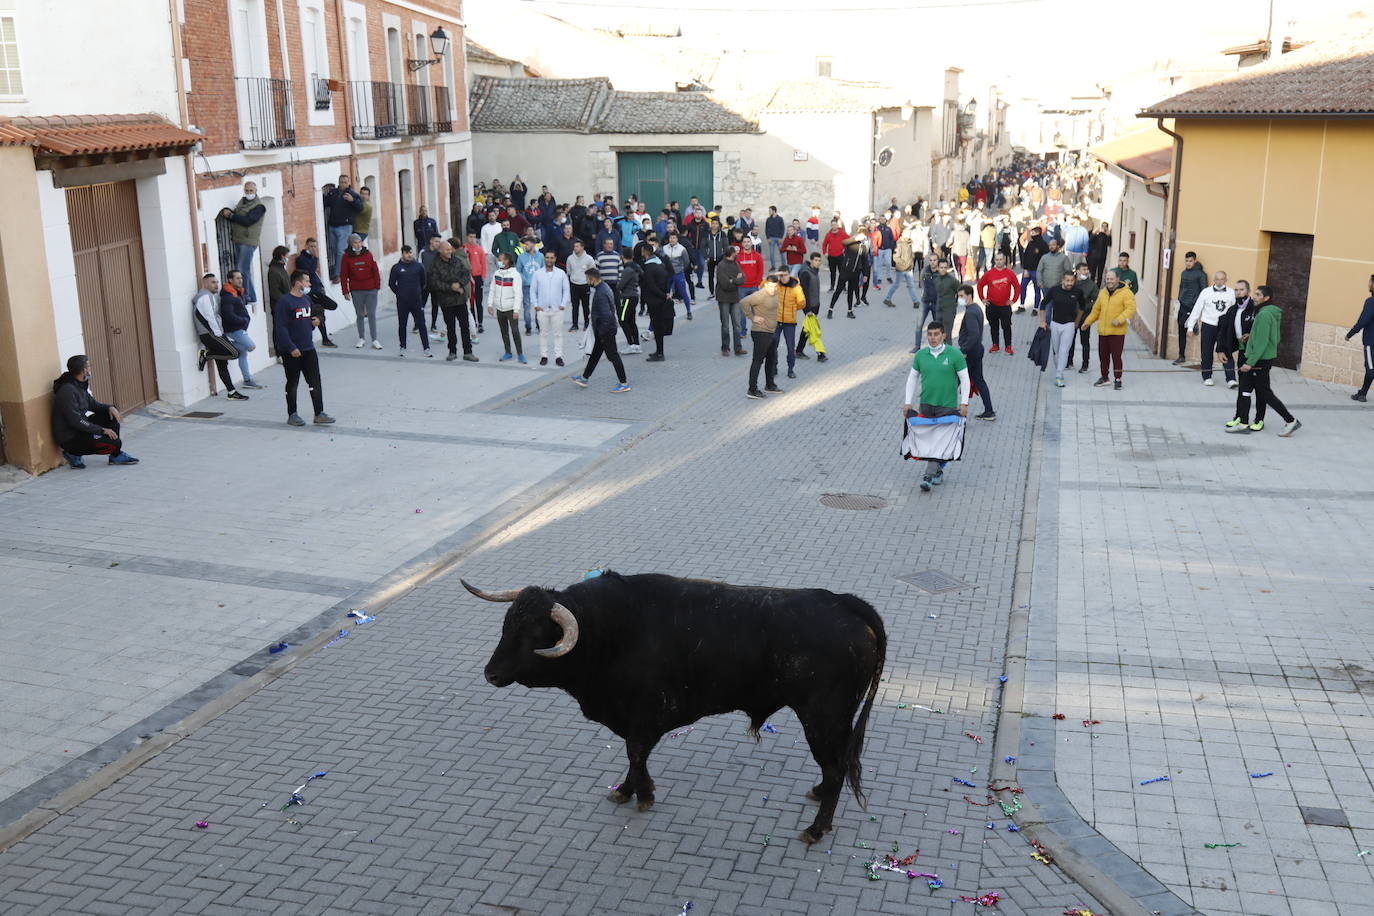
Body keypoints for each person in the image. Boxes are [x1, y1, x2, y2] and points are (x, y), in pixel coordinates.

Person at [903, 321, 970, 491]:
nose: (933, 338)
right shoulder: (921, 355)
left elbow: (965, 378)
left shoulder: (954, 355)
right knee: (931, 443)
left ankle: (928, 475)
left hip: (947, 406)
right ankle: (938, 471)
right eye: (930, 335)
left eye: (936, 334)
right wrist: (908, 401)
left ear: (944, 336)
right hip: (926, 404)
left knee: (943, 442)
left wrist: (964, 403)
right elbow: (912, 378)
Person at [1226, 285, 1301, 436]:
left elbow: (1262, 342)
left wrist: (1249, 363)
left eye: (1258, 295)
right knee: (1245, 390)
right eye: (1255, 294)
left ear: (1266, 298)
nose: (1254, 297)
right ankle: (1243, 423)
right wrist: (1251, 336)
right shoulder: (1266, 312)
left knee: (1265, 393)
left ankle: (1290, 420)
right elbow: (1272, 337)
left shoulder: (1264, 315)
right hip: (1258, 359)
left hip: (1259, 362)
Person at [52, 354, 138, 467]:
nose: (90, 368)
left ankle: (115, 455)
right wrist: (101, 430)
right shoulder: (67, 390)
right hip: (70, 438)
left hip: (80, 429)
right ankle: (73, 453)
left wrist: (110, 407)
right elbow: (75, 421)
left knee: (110, 413)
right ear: (84, 370)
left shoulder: (78, 384)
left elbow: (92, 404)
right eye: (89, 366)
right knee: (114, 444)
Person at [273, 268, 334, 426]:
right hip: (292, 350)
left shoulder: (306, 299)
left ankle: (319, 413)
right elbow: (281, 328)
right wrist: (291, 347)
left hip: (308, 348)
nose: (309, 284)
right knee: (293, 382)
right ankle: (292, 414)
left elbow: (312, 316)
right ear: (298, 282)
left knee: (315, 381)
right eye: (306, 281)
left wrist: (316, 321)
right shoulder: (285, 302)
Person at [571, 267, 631, 392]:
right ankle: (584, 377)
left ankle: (623, 383)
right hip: (603, 330)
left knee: (613, 356)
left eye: (587, 279)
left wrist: (602, 333)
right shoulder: (604, 287)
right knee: (595, 355)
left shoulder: (600, 293)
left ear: (592, 278)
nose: (587, 281)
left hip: (605, 331)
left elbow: (606, 314)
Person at [192, 274, 246, 400]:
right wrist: (219, 334)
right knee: (234, 353)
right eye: (212, 282)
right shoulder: (205, 297)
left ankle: (231, 392)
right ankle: (206, 355)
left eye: (217, 282)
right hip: (211, 334)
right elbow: (210, 316)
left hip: (209, 334)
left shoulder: (209, 296)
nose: (216, 285)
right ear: (205, 284)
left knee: (222, 363)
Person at [1083, 270, 1136, 390]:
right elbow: (1096, 310)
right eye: (1107, 279)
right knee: (1103, 356)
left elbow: (1131, 309)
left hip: (1117, 332)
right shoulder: (1103, 293)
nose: (1109, 281)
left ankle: (1118, 379)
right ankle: (1104, 377)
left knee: (1116, 357)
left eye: (1111, 279)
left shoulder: (1126, 293)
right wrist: (1088, 322)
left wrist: (1120, 319)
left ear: (1117, 279)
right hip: (1103, 331)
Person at [429, 240, 478, 362]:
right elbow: (434, 283)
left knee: (464, 326)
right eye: (447, 250)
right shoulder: (435, 264)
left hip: (460, 300)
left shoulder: (457, 260)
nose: (450, 252)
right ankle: (452, 351)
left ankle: (468, 352)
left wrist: (460, 284)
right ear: (440, 250)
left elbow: (466, 274)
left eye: (450, 249)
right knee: (450, 328)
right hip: (446, 301)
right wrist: (451, 287)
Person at [1186, 271, 1237, 387]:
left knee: (1226, 351)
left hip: (1224, 327)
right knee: (1206, 352)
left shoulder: (1231, 293)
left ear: (1226, 280)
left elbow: (1235, 312)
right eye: (1217, 279)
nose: (1219, 281)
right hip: (1208, 325)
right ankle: (1207, 376)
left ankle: (1231, 379)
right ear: (1214, 280)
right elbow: (1197, 309)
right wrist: (1190, 326)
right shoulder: (1206, 292)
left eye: (1222, 279)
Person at [220, 181, 265, 304]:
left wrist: (231, 215)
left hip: (248, 241)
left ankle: (248, 296)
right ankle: (251, 296)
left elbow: (247, 220)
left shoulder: (259, 207)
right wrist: (229, 213)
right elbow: (237, 214)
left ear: (256, 191)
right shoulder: (242, 202)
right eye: (247, 191)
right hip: (239, 240)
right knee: (243, 269)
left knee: (242, 270)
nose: (249, 193)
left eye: (251, 191)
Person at [1041, 270, 1085, 387]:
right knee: (1056, 351)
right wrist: (1042, 322)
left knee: (1064, 351)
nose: (1070, 283)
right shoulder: (1054, 290)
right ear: (1062, 280)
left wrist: (1076, 322)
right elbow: (1043, 304)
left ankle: (1059, 374)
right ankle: (1058, 370)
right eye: (1067, 281)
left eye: (1072, 281)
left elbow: (1082, 307)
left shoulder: (1078, 292)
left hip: (1069, 325)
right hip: (1055, 324)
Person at [956, 284, 994, 420]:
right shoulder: (976, 308)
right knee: (979, 380)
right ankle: (989, 411)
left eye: (961, 296)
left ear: (969, 296)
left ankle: (951, 408)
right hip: (977, 349)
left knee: (957, 380)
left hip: (970, 352)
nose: (959, 299)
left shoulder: (971, 312)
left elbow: (974, 334)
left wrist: (964, 350)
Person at [219, 269, 262, 388]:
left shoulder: (237, 293)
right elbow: (228, 315)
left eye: (241, 278)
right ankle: (224, 347)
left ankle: (247, 380)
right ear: (230, 280)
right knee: (250, 346)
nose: (240, 280)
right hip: (234, 330)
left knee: (243, 354)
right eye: (237, 278)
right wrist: (243, 320)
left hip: (239, 329)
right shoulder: (228, 296)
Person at [742, 276, 783, 399]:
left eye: (775, 286)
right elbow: (744, 302)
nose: (773, 289)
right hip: (760, 332)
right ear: (765, 285)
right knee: (758, 360)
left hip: (771, 331)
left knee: (771, 359)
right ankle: (752, 389)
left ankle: (770, 385)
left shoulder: (776, 293)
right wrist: (752, 317)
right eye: (770, 286)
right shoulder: (760, 295)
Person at [340, 233, 382, 349]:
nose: (358, 244)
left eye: (359, 242)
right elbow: (343, 275)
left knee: (371, 314)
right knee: (359, 314)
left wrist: (377, 287)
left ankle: (374, 339)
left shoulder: (368, 254)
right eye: (355, 242)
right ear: (351, 244)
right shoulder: (346, 257)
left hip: (370, 289)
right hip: (356, 290)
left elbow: (375, 271)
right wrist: (345, 291)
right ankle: (361, 338)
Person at [388, 244, 431, 357]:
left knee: (421, 324)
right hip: (402, 302)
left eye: (411, 252)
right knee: (402, 324)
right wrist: (399, 293)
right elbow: (391, 284)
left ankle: (426, 348)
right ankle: (402, 347)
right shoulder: (396, 268)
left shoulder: (419, 266)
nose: (409, 255)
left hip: (416, 301)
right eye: (407, 253)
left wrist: (418, 292)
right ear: (402, 254)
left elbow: (423, 282)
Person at [531, 248, 569, 367]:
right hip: (542, 310)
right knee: (543, 333)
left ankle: (558, 356)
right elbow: (533, 290)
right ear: (544, 258)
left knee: (558, 334)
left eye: (551, 258)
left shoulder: (561, 273)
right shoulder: (538, 273)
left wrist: (563, 304)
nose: (549, 260)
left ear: (555, 259)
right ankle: (544, 356)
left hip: (557, 309)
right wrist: (535, 305)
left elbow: (566, 289)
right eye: (547, 257)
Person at [976, 252, 1020, 354]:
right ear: (994, 260)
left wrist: (1013, 300)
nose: (999, 261)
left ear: (1004, 260)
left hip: (1005, 306)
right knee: (993, 327)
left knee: (1006, 327)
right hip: (991, 306)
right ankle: (995, 345)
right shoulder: (989, 273)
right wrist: (982, 298)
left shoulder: (1010, 273)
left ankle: (1008, 346)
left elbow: (1017, 287)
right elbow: (980, 285)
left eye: (1001, 259)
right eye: (997, 260)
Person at [487, 250, 525, 363]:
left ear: (507, 261)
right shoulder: (497, 273)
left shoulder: (515, 275)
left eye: (501, 259)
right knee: (504, 332)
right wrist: (490, 304)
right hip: (500, 309)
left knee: (515, 331)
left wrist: (516, 309)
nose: (499, 261)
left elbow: (518, 293)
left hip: (511, 309)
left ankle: (520, 354)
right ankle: (508, 352)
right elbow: (492, 289)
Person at [638, 241, 673, 362]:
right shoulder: (660, 264)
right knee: (658, 328)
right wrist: (666, 293)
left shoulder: (648, 267)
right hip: (661, 300)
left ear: (645, 252)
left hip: (654, 301)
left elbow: (651, 286)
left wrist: (664, 295)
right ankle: (659, 351)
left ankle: (660, 353)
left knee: (657, 328)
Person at [323, 176, 362, 281]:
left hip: (345, 227)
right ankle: (342, 269)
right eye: (341, 182)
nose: (343, 184)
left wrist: (352, 200)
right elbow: (326, 203)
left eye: (345, 182)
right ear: (338, 182)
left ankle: (338, 275)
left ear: (348, 182)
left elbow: (360, 208)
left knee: (340, 251)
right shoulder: (333, 192)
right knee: (334, 249)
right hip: (332, 226)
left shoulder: (353, 194)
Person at [795, 252, 829, 363]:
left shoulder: (814, 271)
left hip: (815, 306)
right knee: (814, 330)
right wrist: (807, 310)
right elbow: (804, 293)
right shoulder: (806, 273)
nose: (818, 263)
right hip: (809, 307)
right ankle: (820, 354)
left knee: (807, 329)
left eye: (819, 261)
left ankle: (799, 350)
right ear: (811, 260)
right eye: (816, 260)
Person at [1174, 252, 1207, 365]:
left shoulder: (1201, 274)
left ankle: (1193, 325)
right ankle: (1181, 356)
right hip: (1182, 304)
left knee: (1184, 324)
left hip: (1192, 306)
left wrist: (1196, 304)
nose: (1188, 263)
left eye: (1190, 261)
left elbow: (1204, 291)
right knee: (1180, 329)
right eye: (1186, 261)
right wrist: (1179, 298)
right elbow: (1181, 286)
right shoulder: (1183, 273)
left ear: (1195, 261)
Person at [1345, 275, 1374, 401]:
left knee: (1370, 368)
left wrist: (1350, 334)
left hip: (1371, 342)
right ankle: (1362, 393)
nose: (1368, 284)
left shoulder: (1370, 302)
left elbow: (1363, 321)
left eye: (1370, 281)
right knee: (1371, 367)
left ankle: (1362, 394)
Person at [714, 245, 747, 357]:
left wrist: (732, 280)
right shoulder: (721, 265)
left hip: (735, 298)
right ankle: (725, 348)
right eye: (735, 252)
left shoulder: (736, 264)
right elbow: (724, 284)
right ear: (731, 253)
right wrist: (735, 280)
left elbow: (743, 278)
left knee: (737, 325)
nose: (737, 253)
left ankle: (738, 347)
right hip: (724, 298)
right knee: (725, 325)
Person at [775, 270, 806, 379]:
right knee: (773, 345)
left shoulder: (796, 287)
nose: (783, 277)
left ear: (789, 275)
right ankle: (773, 367)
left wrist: (792, 309)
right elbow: (763, 285)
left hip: (789, 322)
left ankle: (790, 369)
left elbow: (802, 302)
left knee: (790, 346)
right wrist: (774, 275)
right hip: (777, 321)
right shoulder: (776, 285)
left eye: (785, 275)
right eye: (781, 275)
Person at [1069, 262, 1098, 374]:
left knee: (1085, 341)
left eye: (1087, 270)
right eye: (1083, 270)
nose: (1086, 272)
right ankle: (1069, 361)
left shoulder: (1091, 285)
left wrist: (1086, 307)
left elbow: (1097, 300)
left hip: (1085, 317)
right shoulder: (1072, 282)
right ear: (1077, 271)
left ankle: (1085, 365)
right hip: (1071, 316)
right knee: (1070, 340)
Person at [661, 231, 695, 319]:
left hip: (678, 273)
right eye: (670, 238)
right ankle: (664, 312)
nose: (672, 240)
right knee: (666, 293)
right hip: (667, 274)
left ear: (677, 239)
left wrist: (681, 269)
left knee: (683, 293)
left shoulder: (682, 249)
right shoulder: (664, 248)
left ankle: (689, 311)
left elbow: (686, 262)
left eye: (674, 238)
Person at [615, 247, 642, 353]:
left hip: (628, 297)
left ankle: (631, 344)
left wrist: (617, 284)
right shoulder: (636, 267)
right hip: (634, 295)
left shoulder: (627, 270)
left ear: (622, 257)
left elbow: (620, 286)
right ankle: (636, 344)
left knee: (622, 319)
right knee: (631, 321)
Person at [566, 239, 596, 332]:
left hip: (585, 285)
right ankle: (574, 324)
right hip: (574, 284)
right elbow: (569, 271)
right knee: (574, 306)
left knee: (585, 305)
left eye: (577, 246)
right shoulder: (570, 258)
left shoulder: (589, 259)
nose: (575, 248)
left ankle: (587, 323)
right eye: (575, 246)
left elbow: (593, 271)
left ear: (582, 247)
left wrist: (589, 281)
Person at [516, 235, 543, 335]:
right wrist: (525, 279)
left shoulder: (540, 256)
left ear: (533, 244)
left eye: (527, 244)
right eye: (524, 244)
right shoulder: (521, 257)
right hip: (526, 286)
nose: (525, 246)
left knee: (539, 307)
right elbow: (518, 270)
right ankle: (528, 327)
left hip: (538, 285)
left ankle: (539, 325)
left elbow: (544, 269)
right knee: (527, 307)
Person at [1019, 226, 1048, 313]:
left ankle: (1035, 308)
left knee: (1037, 289)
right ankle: (1021, 305)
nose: (1031, 234)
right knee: (1023, 287)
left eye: (1033, 233)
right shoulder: (1030, 244)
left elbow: (1045, 260)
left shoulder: (1043, 245)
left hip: (1037, 272)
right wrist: (1025, 269)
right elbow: (1025, 256)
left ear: (1038, 233)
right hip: (1027, 271)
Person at [463, 232, 488, 333]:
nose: (472, 239)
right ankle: (473, 322)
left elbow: (484, 264)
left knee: (479, 301)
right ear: (467, 237)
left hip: (477, 278)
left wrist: (483, 277)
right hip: (468, 278)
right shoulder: (464, 249)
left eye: (474, 237)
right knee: (470, 302)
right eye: (470, 237)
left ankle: (480, 323)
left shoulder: (479, 249)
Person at [932, 258, 960, 329]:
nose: (943, 269)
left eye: (945, 267)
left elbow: (960, 292)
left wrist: (955, 303)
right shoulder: (935, 278)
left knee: (947, 335)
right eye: (941, 267)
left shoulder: (952, 280)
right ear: (938, 268)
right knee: (938, 334)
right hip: (938, 310)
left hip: (949, 311)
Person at [822, 219, 848, 288]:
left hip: (840, 256)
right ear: (831, 226)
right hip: (831, 256)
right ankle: (832, 286)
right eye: (832, 225)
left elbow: (849, 241)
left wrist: (845, 250)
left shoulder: (842, 233)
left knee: (842, 272)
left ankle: (843, 287)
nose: (834, 226)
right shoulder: (828, 235)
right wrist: (825, 252)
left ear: (837, 225)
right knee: (832, 273)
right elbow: (824, 244)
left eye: (835, 224)